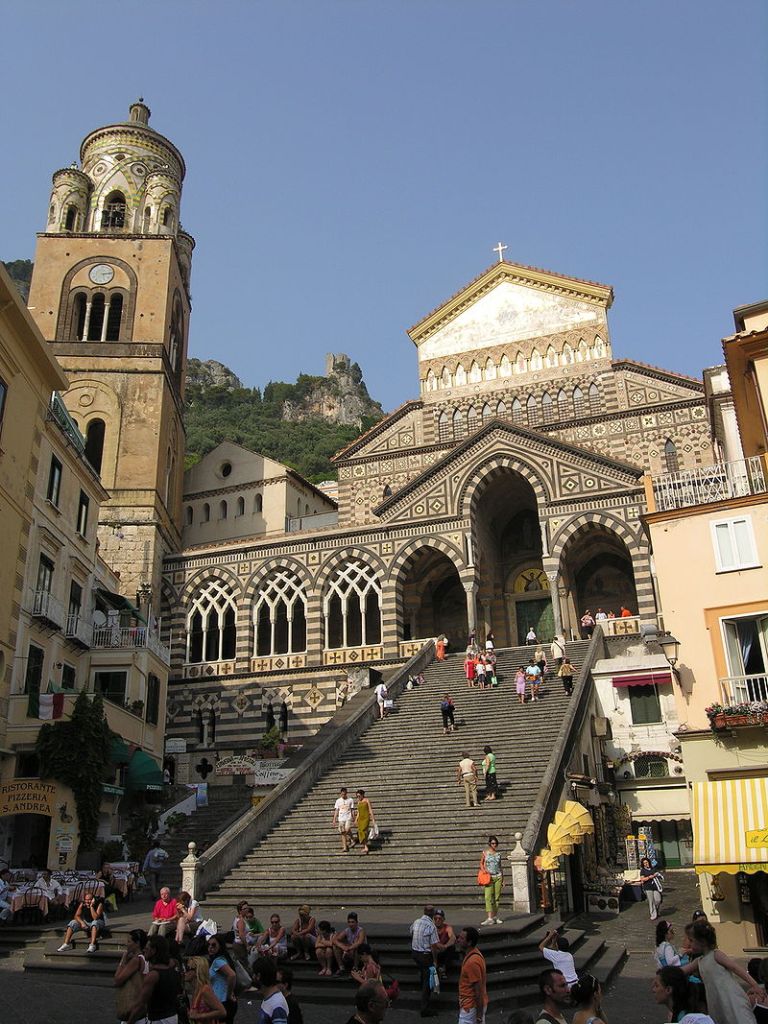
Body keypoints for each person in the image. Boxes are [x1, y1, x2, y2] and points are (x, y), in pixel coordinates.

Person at [683, 920, 766, 1023]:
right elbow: (682, 971)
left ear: (702, 941)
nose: (689, 944)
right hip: (718, 1002)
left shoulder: (716, 955)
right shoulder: (699, 961)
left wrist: (755, 985)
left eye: (691, 940)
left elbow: (736, 969)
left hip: (731, 999)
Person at [126, 934, 181, 1024]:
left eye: (147, 949)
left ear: (154, 950)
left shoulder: (153, 975)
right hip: (173, 1017)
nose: (144, 950)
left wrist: (130, 1022)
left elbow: (141, 1003)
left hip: (159, 1020)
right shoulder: (174, 965)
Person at [114, 928, 149, 1024]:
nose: (127, 944)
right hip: (143, 1009)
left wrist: (123, 960)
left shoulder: (136, 960)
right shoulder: (146, 958)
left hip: (133, 1007)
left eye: (129, 941)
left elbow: (117, 980)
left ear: (137, 943)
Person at [410, 904, 440, 1018]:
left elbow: (411, 932)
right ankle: (425, 1007)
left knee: (424, 972)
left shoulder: (416, 921)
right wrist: (435, 961)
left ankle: (422, 984)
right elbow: (434, 946)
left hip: (415, 952)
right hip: (424, 955)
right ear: (433, 914)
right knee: (428, 979)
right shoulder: (431, 926)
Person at [57, 889, 106, 953]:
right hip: (87, 922)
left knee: (95, 922)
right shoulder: (83, 904)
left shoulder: (99, 904)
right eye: (86, 900)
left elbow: (95, 917)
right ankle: (66, 944)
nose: (88, 901)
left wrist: (91, 907)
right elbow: (76, 915)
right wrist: (82, 922)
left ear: (93, 899)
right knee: (72, 922)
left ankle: (92, 945)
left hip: (99, 922)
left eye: (90, 899)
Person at [457, 926, 487, 1024]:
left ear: (469, 942)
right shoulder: (476, 955)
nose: (458, 940)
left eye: (462, 938)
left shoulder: (472, 962)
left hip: (470, 1008)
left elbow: (478, 991)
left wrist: (478, 1017)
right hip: (472, 1007)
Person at [185, 955, 227, 1024]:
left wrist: (198, 1016)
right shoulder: (196, 989)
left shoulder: (205, 990)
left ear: (197, 971)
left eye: (187, 968)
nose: (184, 972)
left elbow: (222, 1012)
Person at [207, 933, 238, 1024]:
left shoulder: (218, 962)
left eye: (213, 945)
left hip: (223, 1002)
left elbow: (232, 975)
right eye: (208, 945)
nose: (210, 948)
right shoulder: (224, 959)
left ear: (220, 946)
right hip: (225, 1002)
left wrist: (228, 994)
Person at [252, 956, 289, 1024]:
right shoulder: (269, 998)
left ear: (259, 976)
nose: (253, 977)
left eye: (254, 974)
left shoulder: (277, 1005)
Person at [479, 835, 503, 926]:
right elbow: (481, 863)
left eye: (496, 843)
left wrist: (503, 879)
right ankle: (489, 917)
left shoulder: (498, 854)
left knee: (496, 898)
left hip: (498, 876)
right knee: (488, 897)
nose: (494, 845)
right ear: (489, 844)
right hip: (489, 877)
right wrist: (483, 870)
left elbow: (500, 867)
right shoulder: (485, 853)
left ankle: (494, 916)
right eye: (493, 843)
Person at [433, 908, 457, 979]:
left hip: (443, 951)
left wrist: (445, 946)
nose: (437, 920)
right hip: (434, 951)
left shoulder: (447, 927)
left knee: (452, 947)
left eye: (439, 918)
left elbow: (453, 938)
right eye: (436, 918)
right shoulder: (431, 927)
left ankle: (443, 968)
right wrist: (437, 945)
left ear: (443, 919)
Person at [333, 787, 355, 853]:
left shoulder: (350, 800)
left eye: (344, 794)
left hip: (348, 817)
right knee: (343, 832)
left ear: (346, 793)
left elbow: (352, 809)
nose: (343, 795)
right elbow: (336, 810)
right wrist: (334, 819)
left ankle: (353, 839)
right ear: (340, 794)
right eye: (342, 794)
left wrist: (354, 818)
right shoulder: (338, 801)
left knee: (347, 829)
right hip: (341, 818)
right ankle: (345, 847)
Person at [355, 790, 376, 854]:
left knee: (363, 831)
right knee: (360, 832)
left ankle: (365, 846)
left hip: (366, 818)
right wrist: (356, 819)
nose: (358, 797)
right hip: (360, 819)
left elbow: (370, 809)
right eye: (357, 796)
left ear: (362, 795)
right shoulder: (358, 802)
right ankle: (365, 846)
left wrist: (373, 819)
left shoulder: (367, 800)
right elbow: (358, 812)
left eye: (359, 796)